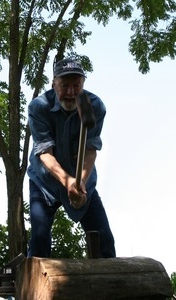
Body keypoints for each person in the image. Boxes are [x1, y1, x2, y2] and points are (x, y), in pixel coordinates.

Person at [27, 57, 116, 258]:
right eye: (64, 85)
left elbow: (90, 149)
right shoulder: (39, 107)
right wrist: (68, 182)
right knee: (39, 237)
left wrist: (81, 183)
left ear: (83, 84)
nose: (70, 92)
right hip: (45, 184)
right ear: (53, 84)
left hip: (82, 182)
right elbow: (44, 154)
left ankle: (111, 285)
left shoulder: (93, 106)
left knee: (104, 238)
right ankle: (36, 287)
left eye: (76, 85)